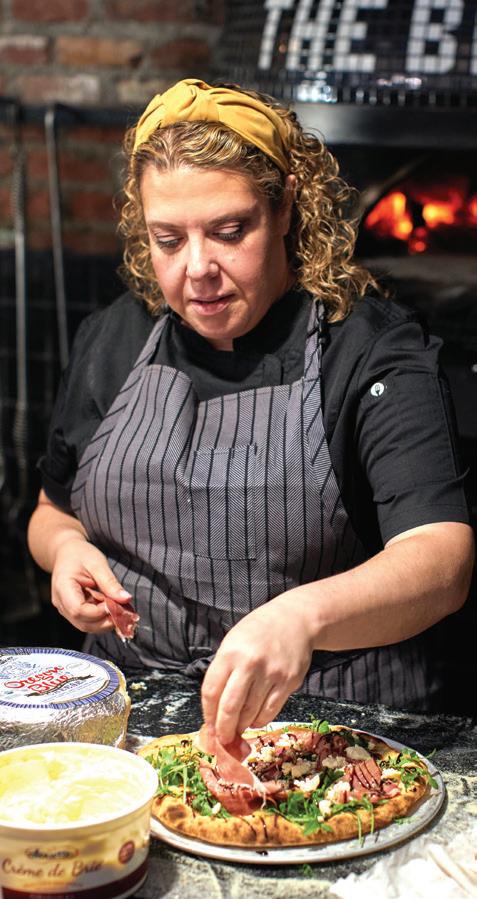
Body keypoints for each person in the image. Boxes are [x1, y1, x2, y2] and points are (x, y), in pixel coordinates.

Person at [28, 78, 474, 746]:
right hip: (132, 719)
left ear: (286, 206)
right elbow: (51, 510)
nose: (198, 269)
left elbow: (441, 559)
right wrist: (66, 550)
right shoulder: (114, 339)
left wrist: (303, 617)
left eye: (229, 231)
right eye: (168, 239)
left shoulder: (368, 350)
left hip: (330, 727)